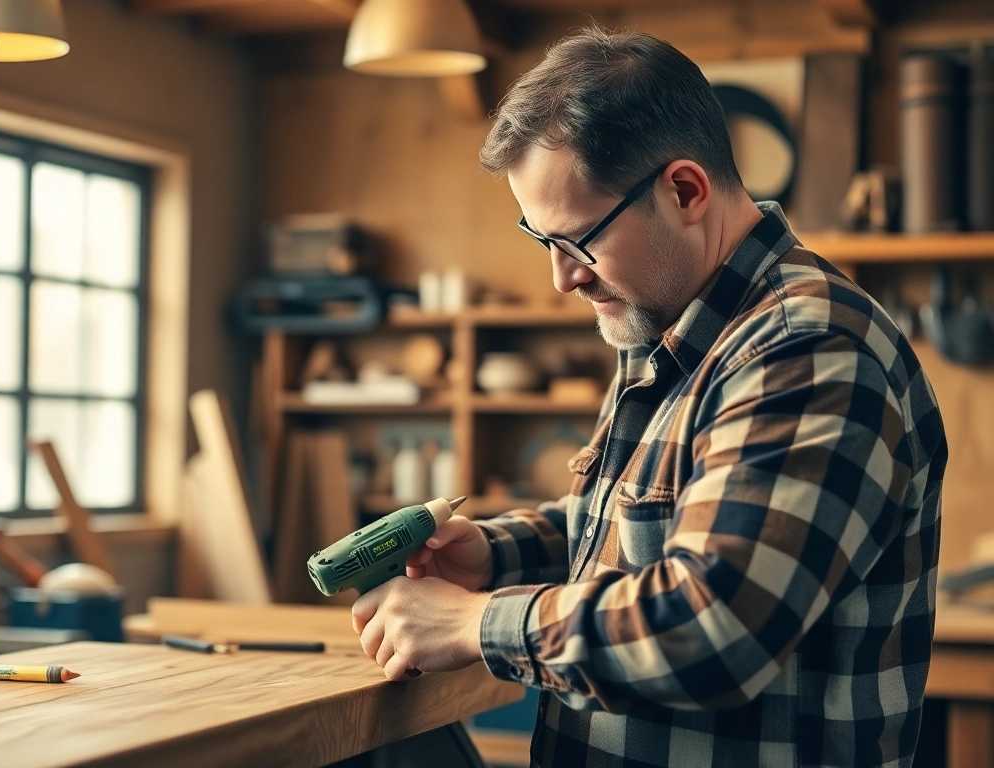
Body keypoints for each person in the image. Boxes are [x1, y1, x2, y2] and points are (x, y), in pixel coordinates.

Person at [350, 25, 947, 768]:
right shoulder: (669, 328)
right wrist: (496, 556)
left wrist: (475, 624)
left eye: (576, 242)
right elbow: (642, 528)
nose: (561, 279)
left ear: (685, 190)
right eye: (542, 242)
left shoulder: (808, 347)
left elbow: (714, 625)